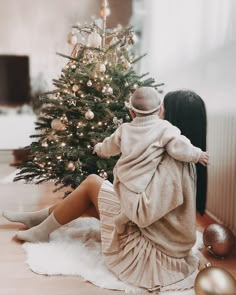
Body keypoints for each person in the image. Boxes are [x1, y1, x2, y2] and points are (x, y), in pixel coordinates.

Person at [2, 89, 208, 292]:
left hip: (150, 252)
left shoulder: (174, 163)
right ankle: (39, 220)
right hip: (151, 230)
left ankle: (41, 227)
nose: (159, 115)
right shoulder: (179, 152)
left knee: (93, 183)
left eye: (163, 110)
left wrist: (123, 190)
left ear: (171, 116)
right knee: (96, 195)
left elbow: (144, 213)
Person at [93, 87, 208, 233]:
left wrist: (101, 148)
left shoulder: (170, 162)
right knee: (91, 189)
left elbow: (143, 215)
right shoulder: (175, 143)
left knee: (91, 184)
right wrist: (198, 154)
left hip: (134, 206)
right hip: (138, 197)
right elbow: (178, 146)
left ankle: (54, 227)